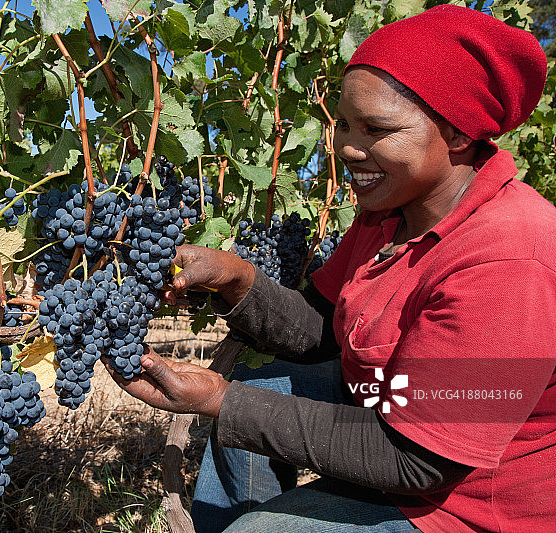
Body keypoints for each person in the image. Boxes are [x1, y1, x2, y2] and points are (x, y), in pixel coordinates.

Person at [103, 5, 556, 533]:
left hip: (464, 502)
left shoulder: (511, 258)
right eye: (342, 123)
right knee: (259, 384)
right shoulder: (390, 213)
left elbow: (420, 460)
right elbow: (322, 329)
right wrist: (235, 278)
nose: (346, 147)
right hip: (388, 408)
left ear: (458, 134)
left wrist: (219, 401)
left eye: (376, 128)